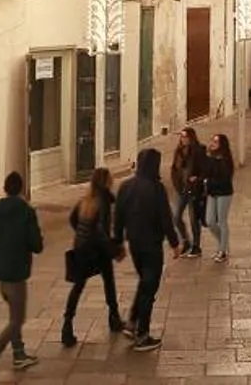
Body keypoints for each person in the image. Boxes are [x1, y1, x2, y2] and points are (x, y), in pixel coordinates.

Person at [112, 148, 179, 352]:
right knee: (149, 287)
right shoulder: (156, 188)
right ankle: (142, 334)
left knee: (145, 282)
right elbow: (166, 219)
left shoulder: (125, 186)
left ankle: (132, 320)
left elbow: (118, 217)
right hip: (152, 245)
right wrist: (175, 243)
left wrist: (117, 242)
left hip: (135, 244)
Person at [0, 170, 41, 374]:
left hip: (1, 272)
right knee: (17, 320)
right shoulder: (27, 211)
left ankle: (19, 353)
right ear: (21, 188)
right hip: (17, 272)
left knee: (13, 315)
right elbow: (36, 244)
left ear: (5, 188)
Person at [59, 167, 124, 348]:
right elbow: (101, 231)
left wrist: (81, 235)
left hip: (82, 249)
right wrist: (114, 249)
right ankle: (114, 318)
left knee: (78, 287)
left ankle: (67, 325)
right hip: (98, 250)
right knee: (109, 283)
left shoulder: (85, 200)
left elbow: (73, 220)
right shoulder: (103, 202)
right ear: (106, 182)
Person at [167, 129, 205, 259]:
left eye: (185, 137)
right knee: (176, 217)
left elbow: (204, 170)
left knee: (194, 219)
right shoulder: (178, 152)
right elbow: (174, 169)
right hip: (182, 189)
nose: (183, 139)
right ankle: (186, 241)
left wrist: (197, 179)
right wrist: (176, 183)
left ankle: (196, 246)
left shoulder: (199, 151)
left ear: (191, 137)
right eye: (181, 137)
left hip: (194, 189)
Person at [203, 136, 236, 262]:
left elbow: (224, 177)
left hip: (224, 193)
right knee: (210, 221)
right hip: (212, 192)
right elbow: (206, 172)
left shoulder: (226, 160)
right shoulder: (210, 158)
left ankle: (222, 250)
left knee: (222, 220)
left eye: (216, 142)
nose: (213, 143)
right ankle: (223, 243)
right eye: (212, 141)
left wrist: (208, 181)